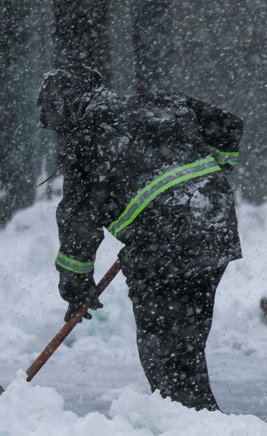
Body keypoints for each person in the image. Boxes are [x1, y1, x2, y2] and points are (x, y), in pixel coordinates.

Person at [37, 64, 243, 411]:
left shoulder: (85, 141)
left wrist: (76, 288)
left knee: (164, 351)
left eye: (52, 117)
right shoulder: (161, 104)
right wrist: (210, 176)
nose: (54, 128)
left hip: (164, 246)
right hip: (213, 227)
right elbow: (229, 125)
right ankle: (202, 427)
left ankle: (192, 429)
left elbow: (78, 225)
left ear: (66, 106)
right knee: (186, 341)